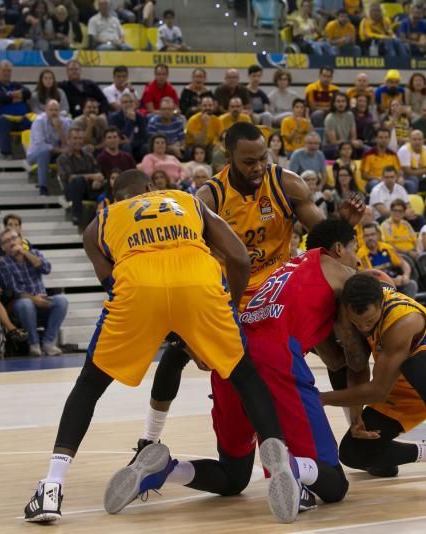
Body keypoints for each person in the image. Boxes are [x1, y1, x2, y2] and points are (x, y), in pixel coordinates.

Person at [22, 170, 301, 524]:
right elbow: (239, 257)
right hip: (199, 282)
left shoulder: (99, 223)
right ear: (152, 188)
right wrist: (223, 310)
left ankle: (52, 487)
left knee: (90, 385)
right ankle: (278, 460)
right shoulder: (188, 201)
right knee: (244, 374)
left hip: (139, 286)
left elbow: (111, 282)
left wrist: (160, 322)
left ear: (115, 196)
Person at [129, 123, 364, 473]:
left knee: (341, 345)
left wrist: (340, 225)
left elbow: (322, 238)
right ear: (228, 158)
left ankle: (358, 431)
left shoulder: (286, 184)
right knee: (176, 352)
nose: (257, 167)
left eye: (263, 158)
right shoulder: (208, 200)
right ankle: (149, 438)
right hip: (233, 296)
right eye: (249, 161)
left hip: (281, 290)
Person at [106, 220, 366, 515]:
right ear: (338, 249)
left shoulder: (289, 269)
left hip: (232, 354)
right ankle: (292, 467)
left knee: (233, 476)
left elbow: (326, 351)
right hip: (277, 357)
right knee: (335, 486)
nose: (357, 258)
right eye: (355, 250)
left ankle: (164, 470)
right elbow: (349, 360)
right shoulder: (344, 274)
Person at [321, 273, 426, 494]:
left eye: (368, 321)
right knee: (352, 453)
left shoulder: (402, 320)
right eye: (357, 323)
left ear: (380, 304)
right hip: (405, 381)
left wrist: (320, 398)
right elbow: (358, 367)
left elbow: (378, 390)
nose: (364, 328)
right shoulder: (353, 315)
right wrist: (356, 417)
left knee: (416, 366)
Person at [0, 228, 68, 356]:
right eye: (7, 241)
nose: (12, 242)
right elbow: (14, 290)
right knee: (26, 304)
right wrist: (34, 299)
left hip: (42, 299)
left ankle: (48, 342)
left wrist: (25, 252)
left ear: (20, 239)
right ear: (3, 247)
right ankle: (34, 344)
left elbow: (46, 269)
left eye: (14, 238)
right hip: (20, 304)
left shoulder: (34, 253)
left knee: (62, 301)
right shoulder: (4, 262)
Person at [57, 127, 104, 225]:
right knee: (78, 181)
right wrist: (92, 176)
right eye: (75, 138)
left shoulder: (89, 156)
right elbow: (70, 178)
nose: (78, 141)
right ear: (69, 140)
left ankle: (99, 219)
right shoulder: (63, 158)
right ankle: (76, 216)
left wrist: (98, 180)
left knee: (107, 185)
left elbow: (98, 173)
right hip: (72, 190)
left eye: (80, 138)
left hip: (90, 189)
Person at [357, 223, 417, 296]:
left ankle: (407, 307)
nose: (370, 238)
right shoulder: (361, 254)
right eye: (367, 236)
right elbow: (370, 277)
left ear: (378, 235)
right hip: (377, 286)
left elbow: (404, 263)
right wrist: (392, 281)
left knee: (411, 285)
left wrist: (405, 276)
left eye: (372, 234)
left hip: (394, 281)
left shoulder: (387, 248)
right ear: (363, 238)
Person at [0, 60, 32, 159]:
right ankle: (6, 153)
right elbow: (0, 97)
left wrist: (9, 96)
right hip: (3, 120)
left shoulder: (16, 85)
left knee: (36, 123)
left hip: (21, 119)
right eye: (4, 70)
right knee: (2, 121)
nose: (6, 73)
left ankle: (34, 154)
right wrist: (15, 96)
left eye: (9, 71)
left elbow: (27, 93)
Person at [27, 100, 71, 196]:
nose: (54, 112)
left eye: (56, 110)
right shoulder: (39, 121)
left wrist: (59, 129)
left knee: (70, 153)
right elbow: (41, 145)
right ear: (45, 110)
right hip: (35, 154)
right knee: (44, 152)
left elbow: (67, 144)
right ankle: (43, 187)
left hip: (56, 153)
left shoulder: (65, 122)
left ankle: (69, 188)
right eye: (51, 110)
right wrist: (61, 150)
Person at [109, 92, 148, 160]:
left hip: (136, 146)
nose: (128, 104)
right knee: (126, 146)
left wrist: (132, 143)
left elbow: (144, 137)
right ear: (121, 104)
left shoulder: (140, 117)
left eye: (131, 102)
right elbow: (120, 136)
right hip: (120, 146)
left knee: (146, 147)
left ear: (135, 104)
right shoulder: (114, 117)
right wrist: (131, 121)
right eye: (125, 102)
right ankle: (129, 168)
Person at [398, 130, 426, 194]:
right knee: (414, 179)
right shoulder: (404, 150)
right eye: (414, 139)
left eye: (420, 139)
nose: (417, 142)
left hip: (422, 177)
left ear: (423, 140)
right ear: (410, 140)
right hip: (406, 178)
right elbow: (407, 172)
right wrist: (425, 170)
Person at [361, 128, 401, 192]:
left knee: (410, 183)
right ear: (376, 139)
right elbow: (364, 175)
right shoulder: (368, 154)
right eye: (381, 137)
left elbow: (398, 172)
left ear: (389, 139)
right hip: (375, 181)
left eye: (386, 137)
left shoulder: (393, 154)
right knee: (375, 184)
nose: (384, 140)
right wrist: (379, 179)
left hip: (391, 180)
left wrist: (398, 178)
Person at [323, 92, 361, 159]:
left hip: (347, 144)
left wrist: (354, 142)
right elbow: (333, 142)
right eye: (338, 101)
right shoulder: (330, 118)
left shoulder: (350, 115)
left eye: (343, 101)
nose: (341, 104)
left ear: (347, 103)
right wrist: (349, 143)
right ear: (334, 104)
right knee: (345, 150)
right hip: (331, 147)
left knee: (366, 149)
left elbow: (353, 137)